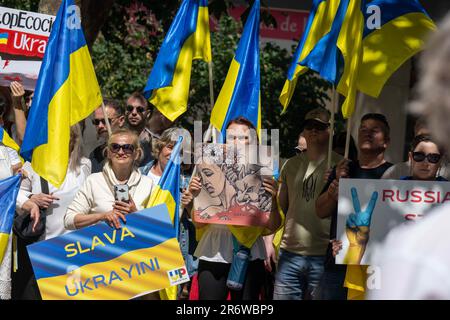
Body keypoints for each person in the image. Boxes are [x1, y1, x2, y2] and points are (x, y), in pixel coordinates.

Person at [369, 15, 450, 299]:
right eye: (420, 154)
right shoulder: (410, 252)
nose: (427, 162)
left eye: (433, 157)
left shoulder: (411, 252)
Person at [183, 117, 282, 300]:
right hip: (214, 251)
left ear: (255, 143)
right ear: (223, 142)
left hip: (250, 252)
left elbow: (273, 226)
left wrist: (274, 201)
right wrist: (192, 201)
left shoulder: (265, 176)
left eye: (244, 138)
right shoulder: (206, 169)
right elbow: (198, 223)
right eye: (231, 137)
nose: (237, 143)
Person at [315, 113, 393, 300]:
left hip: (374, 270)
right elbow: (320, 211)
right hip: (338, 263)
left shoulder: (394, 174)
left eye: (374, 130)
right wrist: (332, 193)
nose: (367, 133)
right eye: (363, 129)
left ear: (386, 142)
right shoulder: (343, 169)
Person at [269, 107, 342, 300]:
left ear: (330, 130)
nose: (313, 130)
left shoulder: (342, 165)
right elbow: (282, 209)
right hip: (288, 253)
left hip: (323, 256)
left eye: (319, 126)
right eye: (308, 126)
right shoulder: (290, 164)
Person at [12, 124, 91, 300]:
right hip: (42, 248)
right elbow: (15, 192)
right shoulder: (34, 165)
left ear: (74, 139)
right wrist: (32, 198)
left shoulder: (84, 165)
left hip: (75, 249)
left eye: (66, 137)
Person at [65, 128, 153, 231]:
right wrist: (102, 216)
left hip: (137, 245)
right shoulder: (93, 181)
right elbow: (69, 220)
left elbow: (158, 227)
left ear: (136, 154)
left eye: (127, 147)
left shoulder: (148, 183)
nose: (120, 152)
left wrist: (135, 214)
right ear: (108, 152)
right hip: (102, 244)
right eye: (115, 147)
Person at [382, 117, 450, 180]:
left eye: (432, 138)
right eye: (421, 137)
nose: (426, 141)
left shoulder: (448, 174)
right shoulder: (395, 173)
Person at [89, 99, 125, 173]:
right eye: (96, 122)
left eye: (105, 121)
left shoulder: (132, 149)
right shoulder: (95, 154)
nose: (100, 126)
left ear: (121, 120)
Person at [125, 92, 153, 166]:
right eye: (130, 108)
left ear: (148, 113)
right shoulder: (117, 140)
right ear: (126, 111)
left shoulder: (154, 144)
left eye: (140, 110)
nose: (134, 112)